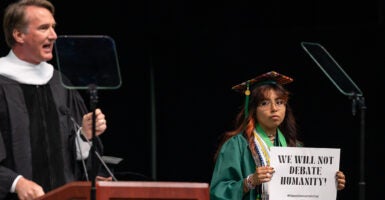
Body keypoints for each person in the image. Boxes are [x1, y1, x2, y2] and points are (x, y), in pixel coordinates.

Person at [0, 0, 110, 199]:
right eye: (44, 28)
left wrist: (83, 135)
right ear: (18, 35)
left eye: (53, 27)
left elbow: (70, 157)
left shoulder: (60, 82)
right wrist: (15, 182)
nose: (54, 35)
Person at [209, 71, 346, 200]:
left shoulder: (295, 146)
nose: (274, 108)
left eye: (280, 102)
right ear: (253, 110)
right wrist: (250, 181)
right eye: (264, 103)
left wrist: (329, 184)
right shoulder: (237, 145)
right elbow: (217, 192)